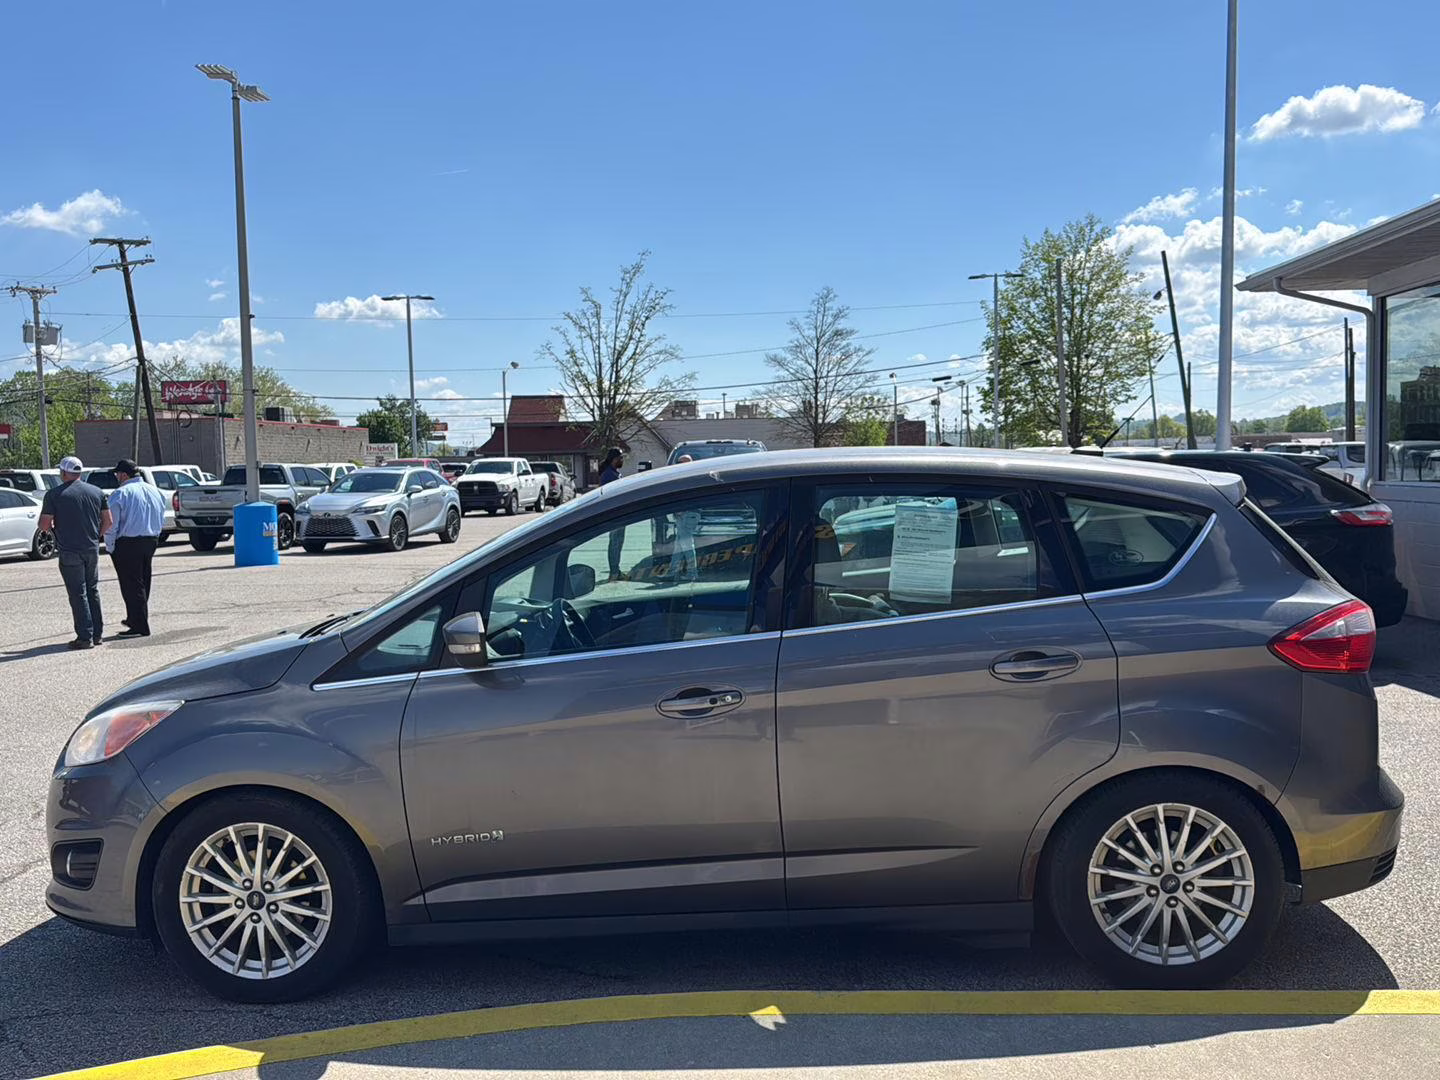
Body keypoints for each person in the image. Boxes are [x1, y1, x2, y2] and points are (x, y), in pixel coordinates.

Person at [38, 456, 111, 649]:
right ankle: (97, 634)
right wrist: (96, 536)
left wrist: (52, 527)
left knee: (78, 593)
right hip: (91, 548)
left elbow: (44, 525)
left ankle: (85, 636)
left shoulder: (54, 495)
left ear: (63, 472)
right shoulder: (97, 492)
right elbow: (108, 521)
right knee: (92, 589)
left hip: (69, 549)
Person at [104, 458, 168, 639]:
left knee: (131, 584)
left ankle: (139, 625)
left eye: (117, 474)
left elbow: (112, 523)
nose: (116, 477)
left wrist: (110, 546)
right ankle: (135, 617)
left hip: (128, 543)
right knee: (143, 581)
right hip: (150, 540)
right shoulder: (155, 491)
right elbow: (160, 516)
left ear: (124, 475)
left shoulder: (121, 493)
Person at [597, 448, 626, 581]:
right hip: (615, 514)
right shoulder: (609, 475)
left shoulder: (614, 473)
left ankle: (616, 570)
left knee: (617, 542)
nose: (622, 460)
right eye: (620, 458)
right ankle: (614, 572)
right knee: (615, 542)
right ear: (614, 459)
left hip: (619, 513)